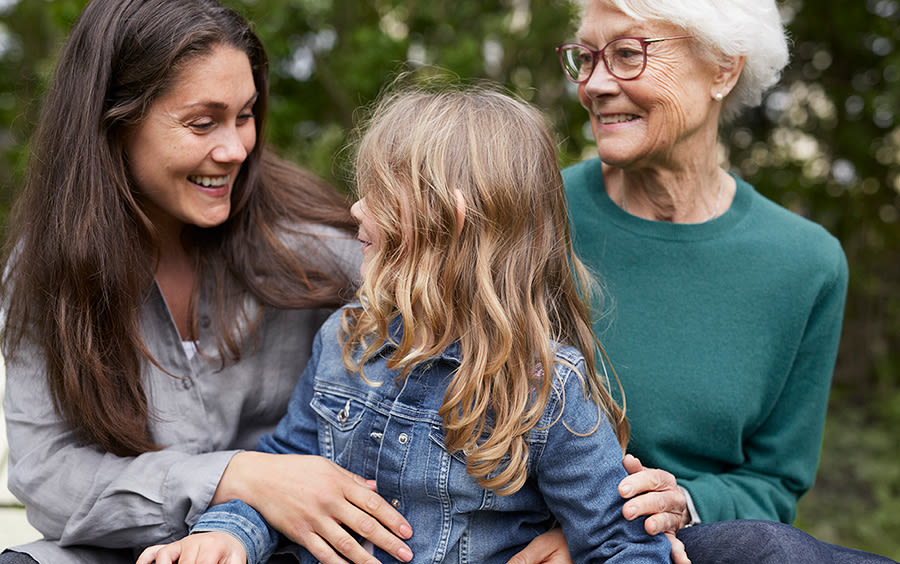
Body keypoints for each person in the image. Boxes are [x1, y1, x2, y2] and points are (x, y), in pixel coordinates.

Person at [135, 85, 674, 564]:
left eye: (381, 194)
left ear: (449, 218)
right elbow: (287, 467)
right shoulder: (347, 337)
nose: (356, 208)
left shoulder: (549, 391)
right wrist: (227, 534)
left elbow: (620, 542)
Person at [0, 1, 416, 563]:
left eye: (245, 116)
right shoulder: (44, 271)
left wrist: (563, 519)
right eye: (202, 122)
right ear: (112, 122)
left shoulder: (319, 248)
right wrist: (236, 476)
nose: (235, 148)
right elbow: (50, 476)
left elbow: (491, 338)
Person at [508, 1, 898, 563]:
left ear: (723, 69)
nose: (594, 84)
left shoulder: (805, 263)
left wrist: (680, 502)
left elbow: (774, 481)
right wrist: (326, 467)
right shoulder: (529, 212)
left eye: (626, 54)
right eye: (586, 58)